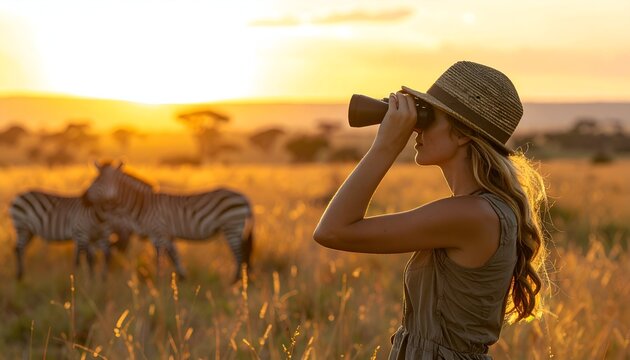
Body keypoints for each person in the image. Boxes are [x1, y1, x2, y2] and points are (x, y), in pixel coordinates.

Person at [313, 61, 549, 359]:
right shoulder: (481, 210)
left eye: (427, 117)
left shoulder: (472, 215)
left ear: (463, 134)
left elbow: (333, 231)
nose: (415, 130)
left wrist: (386, 145)